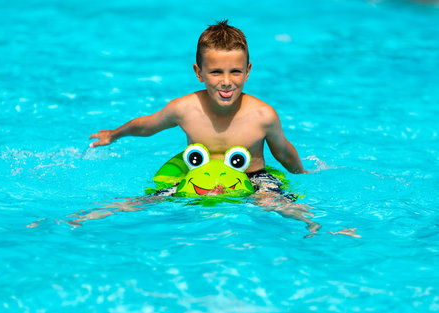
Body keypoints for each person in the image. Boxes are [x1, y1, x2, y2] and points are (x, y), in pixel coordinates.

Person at [89, 20, 307, 200]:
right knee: (148, 201)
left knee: (273, 203)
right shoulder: (185, 109)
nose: (226, 81)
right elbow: (147, 126)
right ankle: (88, 218)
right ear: (199, 72)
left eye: (235, 72)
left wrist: (304, 174)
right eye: (215, 72)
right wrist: (114, 135)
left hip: (251, 177)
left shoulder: (263, 115)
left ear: (248, 71)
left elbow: (283, 152)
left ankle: (315, 229)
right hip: (196, 175)